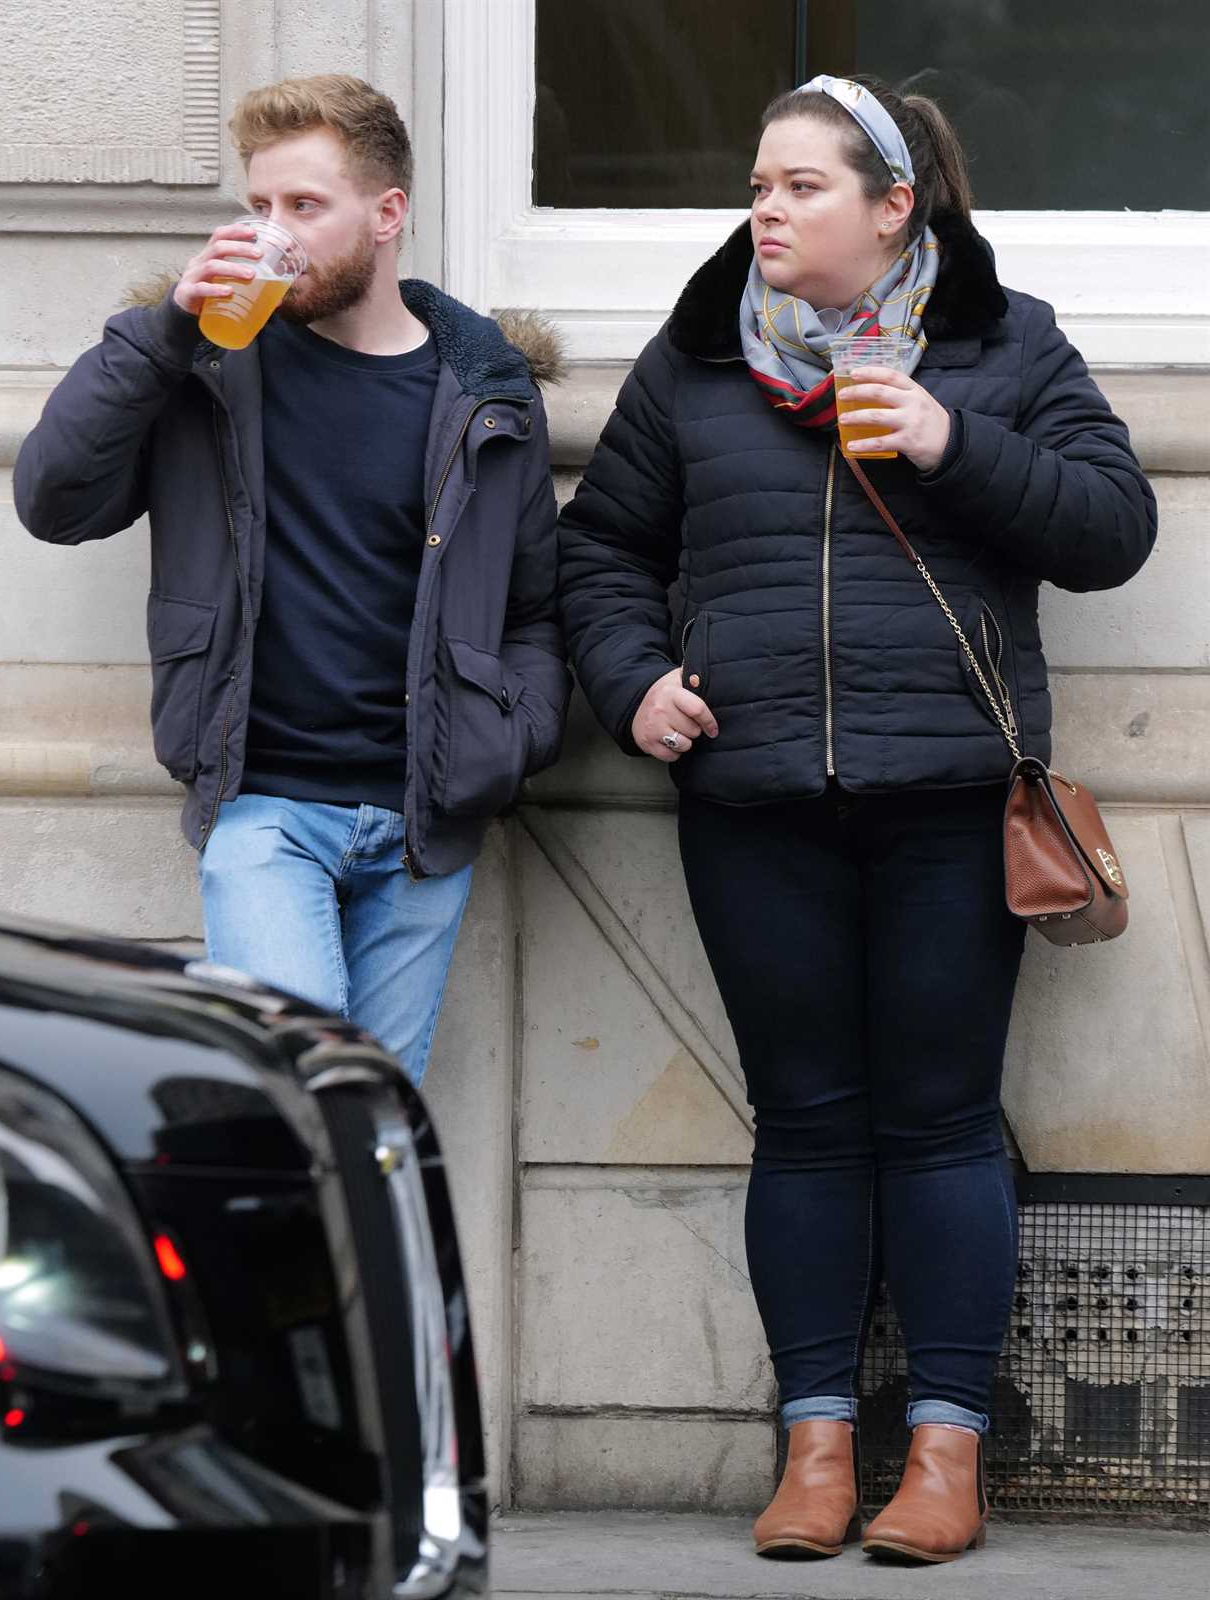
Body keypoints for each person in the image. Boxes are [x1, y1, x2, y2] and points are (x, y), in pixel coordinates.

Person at [558, 73, 1155, 1562]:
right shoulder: (696, 362)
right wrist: (634, 687)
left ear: (896, 206)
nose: (763, 208)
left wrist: (959, 445)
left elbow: (1114, 526)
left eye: (799, 185)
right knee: (808, 1130)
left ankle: (944, 1456)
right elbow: (599, 557)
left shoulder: (1002, 348)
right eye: (757, 185)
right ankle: (815, 1450)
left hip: (953, 799)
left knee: (946, 1126)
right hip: (754, 804)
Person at [15, 75, 569, 1087]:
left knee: (375, 1132)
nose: (273, 231)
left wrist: (510, 737)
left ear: (386, 214)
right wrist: (168, 329)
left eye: (304, 207)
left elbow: (531, 602)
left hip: (421, 824)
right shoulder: (207, 370)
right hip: (263, 807)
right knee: (300, 1104)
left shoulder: (486, 392)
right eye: (258, 205)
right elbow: (53, 500)